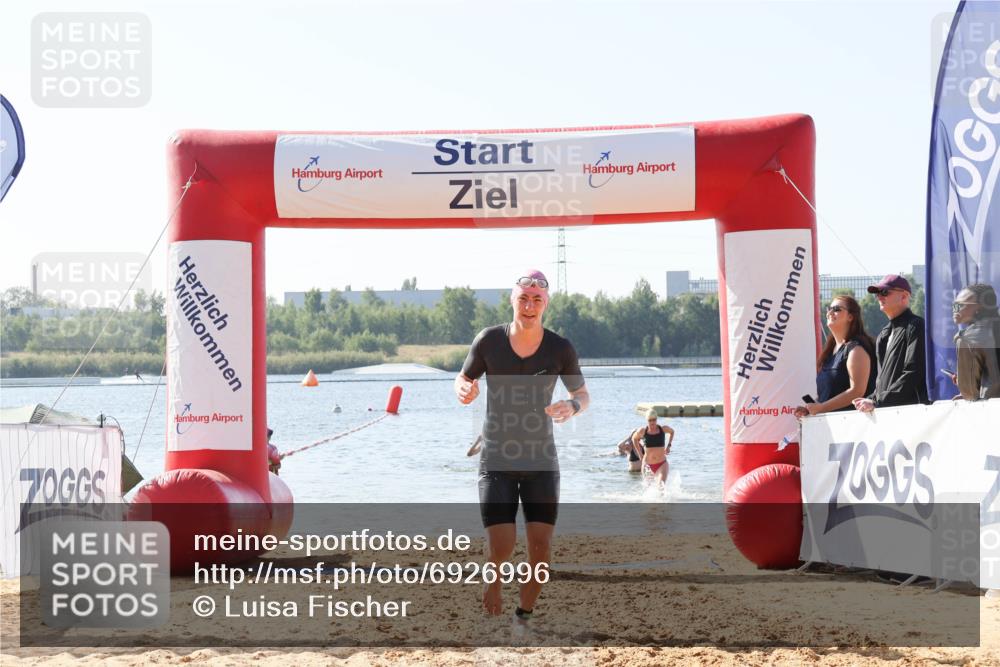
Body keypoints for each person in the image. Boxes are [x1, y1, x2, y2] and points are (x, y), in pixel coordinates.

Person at [454, 269, 589, 621]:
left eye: (537, 300)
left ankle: (523, 616)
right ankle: (494, 578)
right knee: (501, 546)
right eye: (523, 299)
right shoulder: (489, 341)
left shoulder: (560, 348)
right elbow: (464, 377)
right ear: (513, 301)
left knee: (541, 554)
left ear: (546, 304)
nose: (529, 306)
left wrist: (572, 406)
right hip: (496, 459)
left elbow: (582, 394)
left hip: (541, 462)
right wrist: (463, 388)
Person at [853, 275, 928, 412]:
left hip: (911, 413)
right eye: (877, 293)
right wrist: (871, 399)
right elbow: (883, 380)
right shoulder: (884, 334)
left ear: (904, 296)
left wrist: (878, 401)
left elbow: (914, 373)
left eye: (884, 292)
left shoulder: (916, 325)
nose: (879, 297)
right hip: (888, 412)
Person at [794, 295, 876, 417]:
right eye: (829, 308)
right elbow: (830, 394)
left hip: (853, 423)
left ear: (850, 317)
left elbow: (857, 391)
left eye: (837, 309)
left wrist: (822, 408)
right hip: (830, 424)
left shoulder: (856, 349)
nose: (830, 312)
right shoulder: (830, 351)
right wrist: (812, 408)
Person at [948, 283, 1000, 400]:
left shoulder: (967, 339)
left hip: (992, 406)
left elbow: (969, 392)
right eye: (954, 305)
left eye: (959, 305)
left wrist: (963, 383)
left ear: (980, 307)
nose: (955, 310)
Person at [633, 409, 674, 484]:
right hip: (647, 465)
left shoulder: (663, 429)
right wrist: (640, 454)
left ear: (656, 419)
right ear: (647, 420)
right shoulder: (642, 431)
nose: (652, 422)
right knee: (648, 489)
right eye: (650, 420)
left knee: (661, 487)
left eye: (654, 420)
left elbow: (672, 432)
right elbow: (634, 439)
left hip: (662, 464)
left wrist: (669, 446)